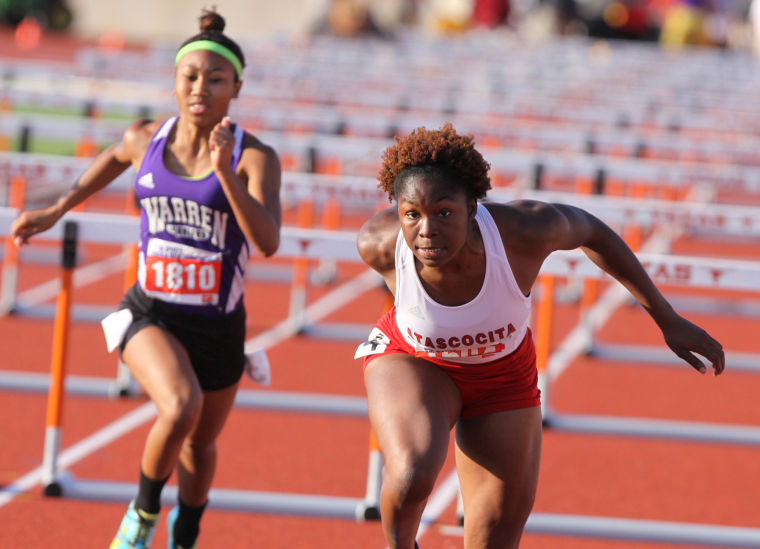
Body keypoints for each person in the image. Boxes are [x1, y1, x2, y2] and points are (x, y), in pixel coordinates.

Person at [354, 123, 724, 549]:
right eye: (412, 215)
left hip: (503, 377)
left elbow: (592, 230)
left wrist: (667, 318)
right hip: (416, 361)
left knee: (495, 536)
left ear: (473, 208)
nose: (427, 230)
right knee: (412, 474)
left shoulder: (522, 232)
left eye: (444, 212)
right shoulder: (378, 245)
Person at [11, 8, 281, 549]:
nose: (201, 88)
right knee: (180, 406)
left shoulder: (255, 157)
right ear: (176, 81)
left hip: (219, 326)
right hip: (149, 310)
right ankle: (139, 519)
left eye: (215, 79)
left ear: (237, 88)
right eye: (190, 77)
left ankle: (186, 534)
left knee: (199, 445)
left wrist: (224, 172)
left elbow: (268, 241)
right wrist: (57, 209)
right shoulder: (146, 140)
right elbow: (112, 159)